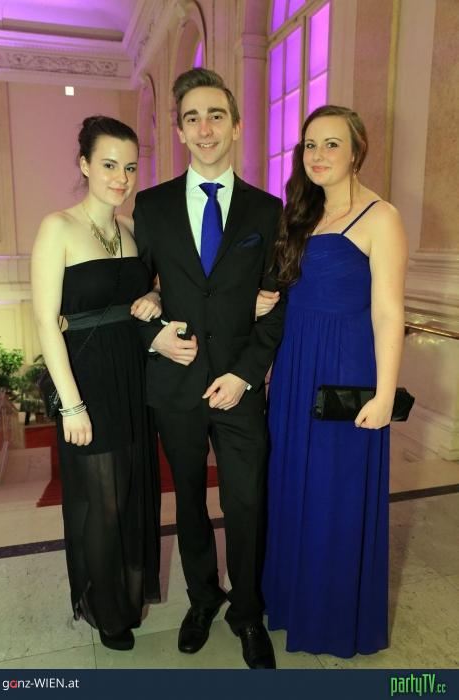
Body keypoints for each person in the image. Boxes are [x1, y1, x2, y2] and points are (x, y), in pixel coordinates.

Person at [133, 68, 284, 669]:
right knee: (190, 501)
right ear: (179, 130)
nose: (204, 128)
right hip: (176, 384)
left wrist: (245, 374)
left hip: (239, 387)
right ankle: (203, 598)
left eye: (216, 115)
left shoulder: (267, 211)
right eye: (191, 118)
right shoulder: (152, 206)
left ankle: (247, 612)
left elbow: (279, 303)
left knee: (246, 503)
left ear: (236, 125)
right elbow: (131, 291)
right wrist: (152, 333)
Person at [262, 105, 408, 658]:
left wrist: (386, 393)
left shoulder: (381, 217)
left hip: (345, 370)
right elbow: (289, 294)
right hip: (294, 370)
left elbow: (388, 312)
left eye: (330, 144)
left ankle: (331, 618)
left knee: (335, 494)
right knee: (293, 486)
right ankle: (293, 602)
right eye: (309, 145)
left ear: (356, 151)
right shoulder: (300, 215)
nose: (317, 155)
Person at [31, 115, 162, 651]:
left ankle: (128, 596)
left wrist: (153, 296)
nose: (121, 178)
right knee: (101, 502)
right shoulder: (57, 227)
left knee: (131, 495)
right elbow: (46, 322)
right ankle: (105, 608)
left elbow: (148, 291)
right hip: (86, 380)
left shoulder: (130, 230)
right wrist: (71, 405)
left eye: (129, 167)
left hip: (132, 377)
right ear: (84, 164)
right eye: (109, 164)